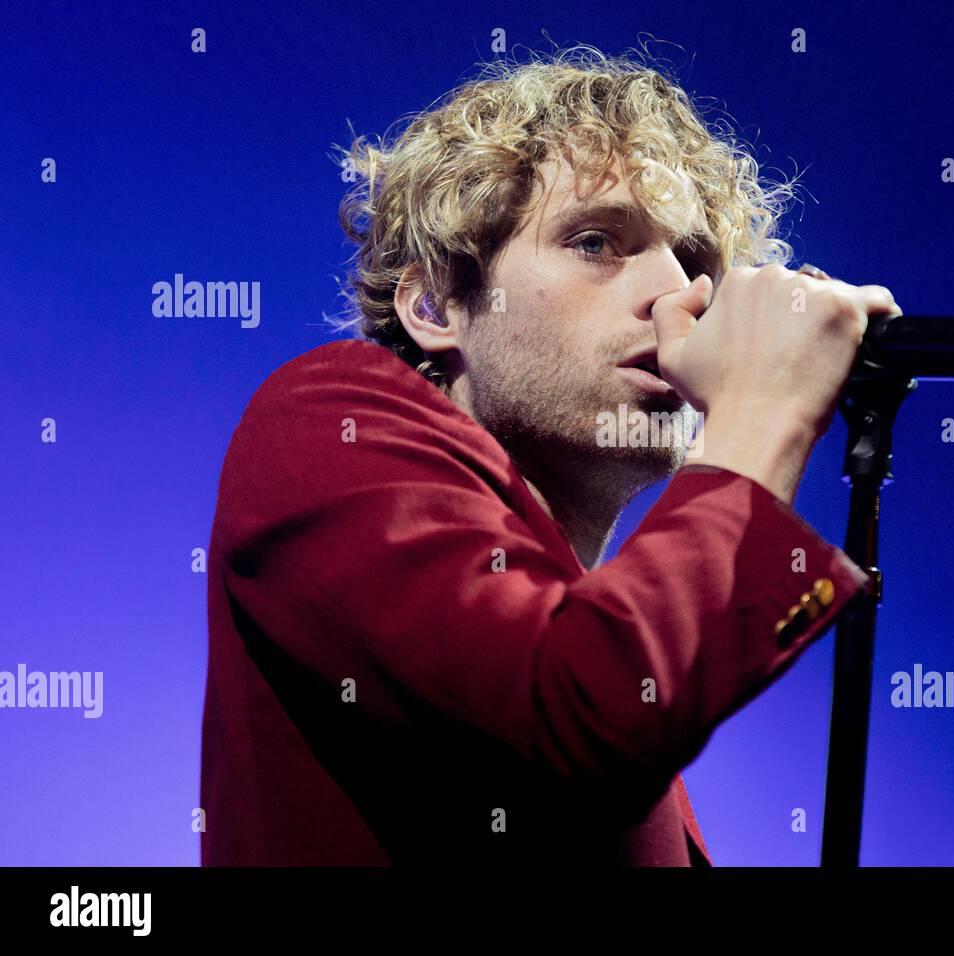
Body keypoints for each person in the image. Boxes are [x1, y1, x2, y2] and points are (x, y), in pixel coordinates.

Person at [199, 46, 902, 866]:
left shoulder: (609, 644)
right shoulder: (325, 414)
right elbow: (583, 716)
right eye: (598, 241)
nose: (681, 293)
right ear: (435, 306)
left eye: (699, 261)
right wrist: (763, 415)